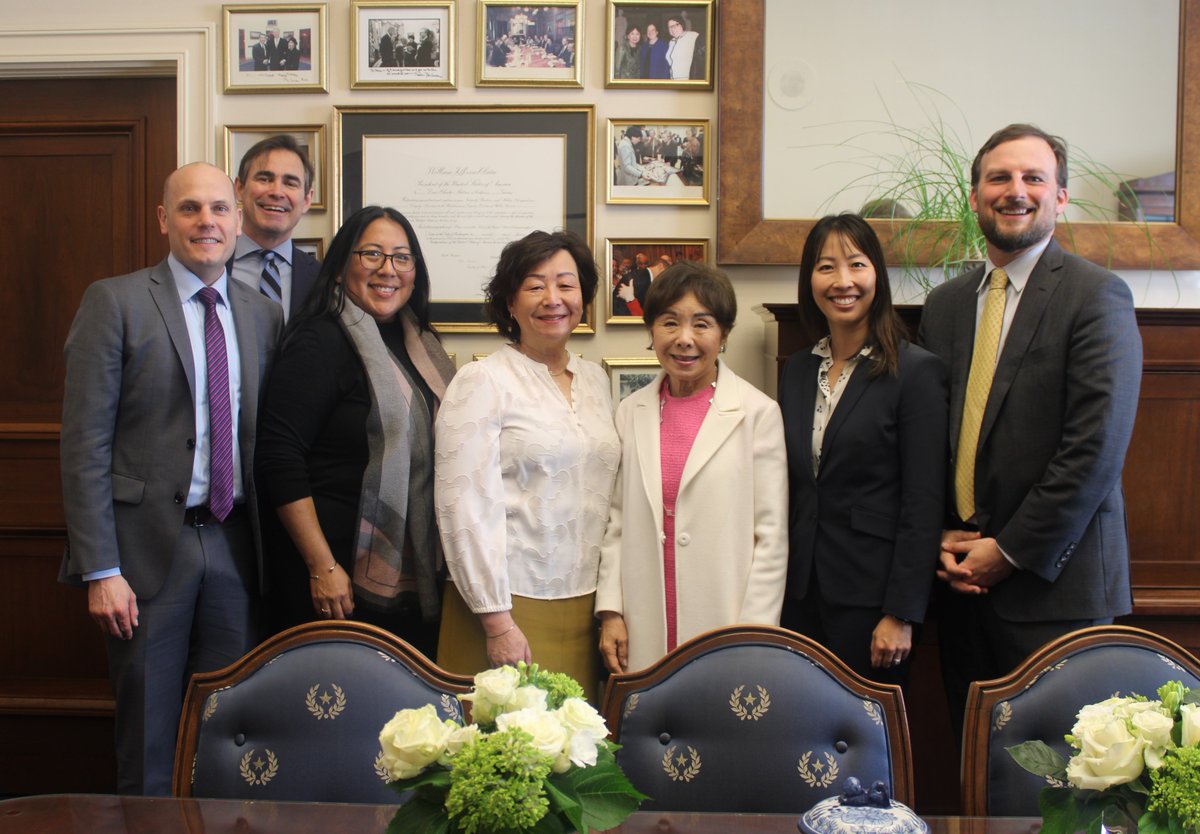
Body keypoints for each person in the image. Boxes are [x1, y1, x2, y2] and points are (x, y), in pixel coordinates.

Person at [59, 162, 283, 794]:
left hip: (237, 543)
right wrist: (100, 570)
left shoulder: (263, 316)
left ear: (239, 219)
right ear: (164, 219)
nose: (206, 222)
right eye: (189, 209)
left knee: (231, 729)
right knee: (151, 733)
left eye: (218, 209)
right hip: (146, 552)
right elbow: (84, 446)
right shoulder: (116, 301)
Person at [917, 124, 1143, 735]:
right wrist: (939, 535)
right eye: (999, 177)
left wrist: (1008, 552)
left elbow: (1094, 452)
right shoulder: (946, 306)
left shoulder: (1097, 297)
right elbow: (930, 437)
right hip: (960, 588)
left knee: (1063, 794)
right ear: (974, 196)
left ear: (1060, 197)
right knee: (976, 778)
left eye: (1033, 178)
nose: (1015, 191)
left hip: (1055, 593)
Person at [256, 206, 455, 658]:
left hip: (404, 572)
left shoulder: (420, 344)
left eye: (402, 258)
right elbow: (279, 457)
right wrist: (321, 565)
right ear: (344, 263)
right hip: (334, 574)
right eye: (372, 254)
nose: (389, 270)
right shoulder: (320, 341)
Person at [435, 230, 618, 699]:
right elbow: (463, 508)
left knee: (576, 758)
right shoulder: (482, 381)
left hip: (585, 607)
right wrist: (496, 622)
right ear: (510, 303)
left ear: (584, 297)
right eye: (535, 286)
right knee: (504, 758)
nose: (553, 299)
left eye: (566, 284)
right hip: (505, 607)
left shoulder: (596, 380)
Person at [778, 214, 948, 687]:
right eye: (826, 267)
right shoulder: (795, 370)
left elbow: (923, 500)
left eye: (856, 264)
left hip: (873, 603)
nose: (843, 281)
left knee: (867, 743)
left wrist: (902, 612)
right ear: (809, 278)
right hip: (799, 594)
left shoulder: (915, 373)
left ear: (878, 275)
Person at [596, 262, 788, 674]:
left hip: (726, 621)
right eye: (670, 323)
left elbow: (771, 538)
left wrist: (752, 635)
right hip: (642, 621)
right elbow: (616, 521)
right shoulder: (631, 411)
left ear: (723, 335)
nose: (685, 339)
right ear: (651, 331)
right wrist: (611, 610)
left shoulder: (757, 413)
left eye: (702, 325)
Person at [228, 134, 319, 322]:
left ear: (307, 199)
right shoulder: (208, 266)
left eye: (290, 183)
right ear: (239, 188)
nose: (277, 192)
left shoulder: (323, 280)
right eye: (264, 179)